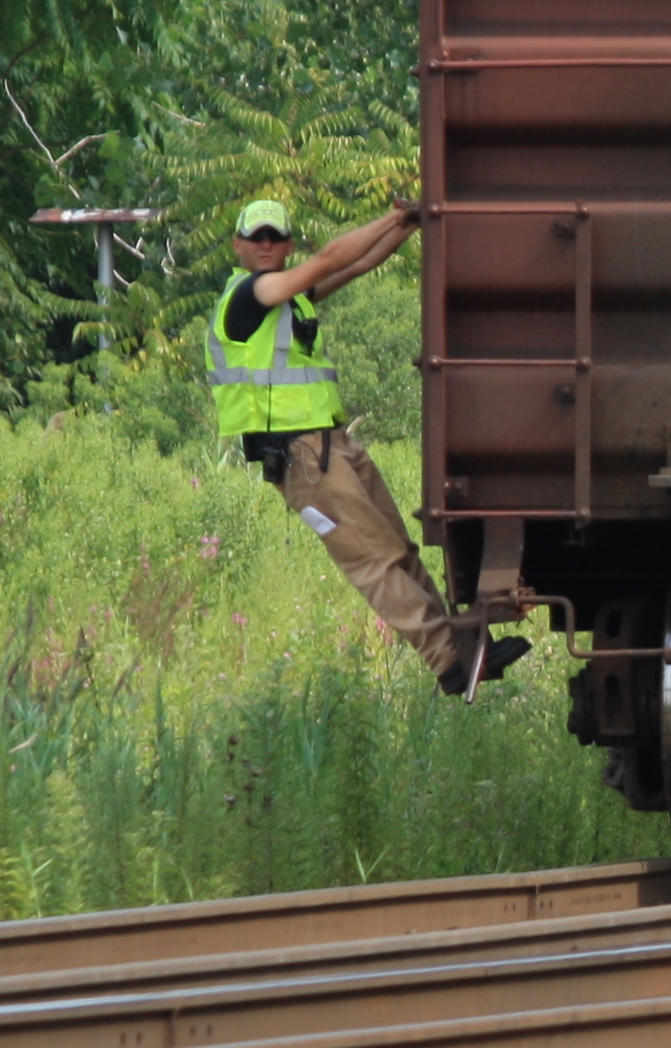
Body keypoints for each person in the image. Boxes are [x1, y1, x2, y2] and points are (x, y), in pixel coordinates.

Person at [208, 193, 526, 693]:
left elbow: (359, 264)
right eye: (256, 237)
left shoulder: (291, 301)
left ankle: (467, 650)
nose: (265, 244)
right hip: (301, 459)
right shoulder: (251, 295)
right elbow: (332, 258)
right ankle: (448, 663)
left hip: (332, 445)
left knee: (397, 549)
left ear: (286, 243)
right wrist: (395, 216)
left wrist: (410, 223)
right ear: (239, 246)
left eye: (274, 237)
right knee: (372, 561)